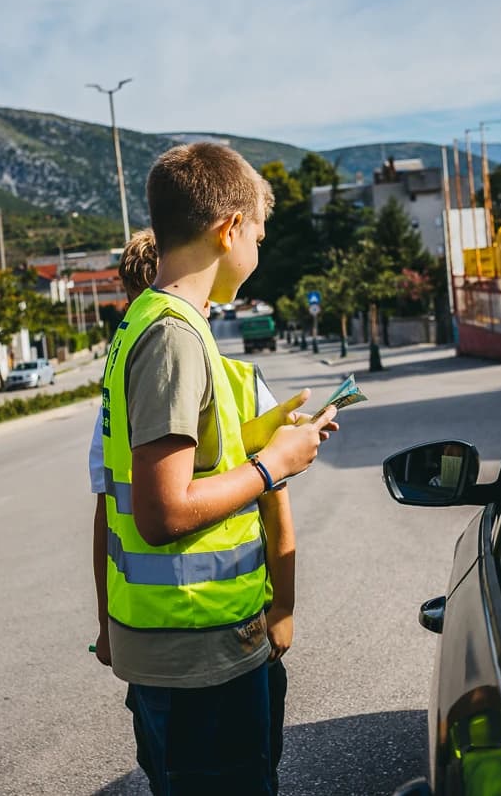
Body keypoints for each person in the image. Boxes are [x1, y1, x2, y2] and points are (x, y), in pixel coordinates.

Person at [101, 143, 336, 795]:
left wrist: (257, 441)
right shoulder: (175, 335)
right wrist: (270, 465)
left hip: (187, 643)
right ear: (229, 229)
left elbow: (179, 463)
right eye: (258, 234)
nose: (259, 247)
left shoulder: (153, 320)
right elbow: (162, 511)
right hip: (196, 651)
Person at [91, 229, 298, 791]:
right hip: (201, 640)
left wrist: (282, 607)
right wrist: (273, 463)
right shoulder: (166, 346)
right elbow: (148, 513)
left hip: (201, 634)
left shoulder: (166, 356)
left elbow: (109, 513)